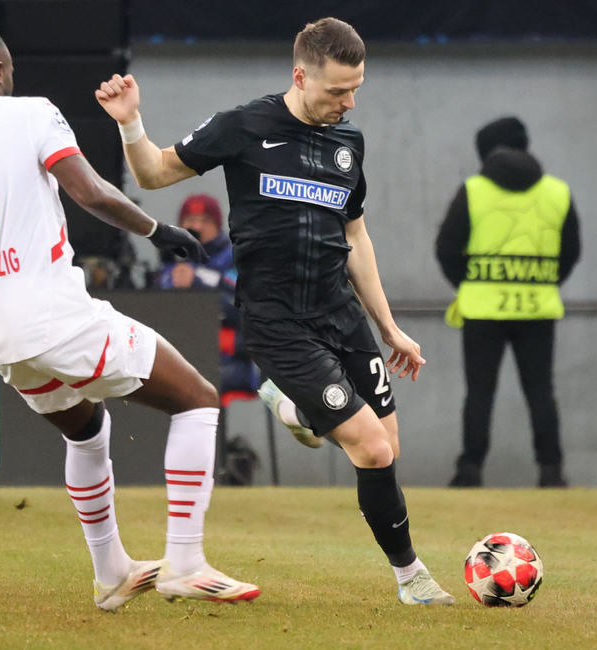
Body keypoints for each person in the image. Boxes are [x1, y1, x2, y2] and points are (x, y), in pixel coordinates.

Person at [0, 24, 259, 612]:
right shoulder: (31, 113)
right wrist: (157, 229)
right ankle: (185, 562)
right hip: (57, 317)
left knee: (87, 428)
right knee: (197, 400)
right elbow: (89, 191)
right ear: (2, 71)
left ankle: (110, 570)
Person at [97, 17, 455, 605]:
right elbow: (154, 171)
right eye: (337, 90)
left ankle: (296, 409)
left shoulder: (349, 144)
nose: (349, 101)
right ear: (300, 76)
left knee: (388, 446)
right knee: (370, 446)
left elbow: (357, 239)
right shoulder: (245, 126)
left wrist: (389, 328)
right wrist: (130, 121)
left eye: (356, 88)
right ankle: (411, 578)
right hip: (278, 321)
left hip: (341, 313)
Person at [435, 116, 581, 488]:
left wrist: (470, 284)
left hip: (483, 309)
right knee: (541, 392)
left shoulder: (473, 191)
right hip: (537, 307)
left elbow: (447, 248)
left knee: (480, 393)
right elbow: (570, 252)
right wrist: (543, 281)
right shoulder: (557, 192)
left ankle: (470, 470)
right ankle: (551, 471)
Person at [158, 194, 259, 394]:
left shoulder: (234, 257)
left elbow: (241, 309)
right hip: (183, 352)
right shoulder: (171, 260)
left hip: (229, 359)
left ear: (218, 225)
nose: (197, 228)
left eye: (205, 221)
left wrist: (197, 285)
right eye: (190, 221)